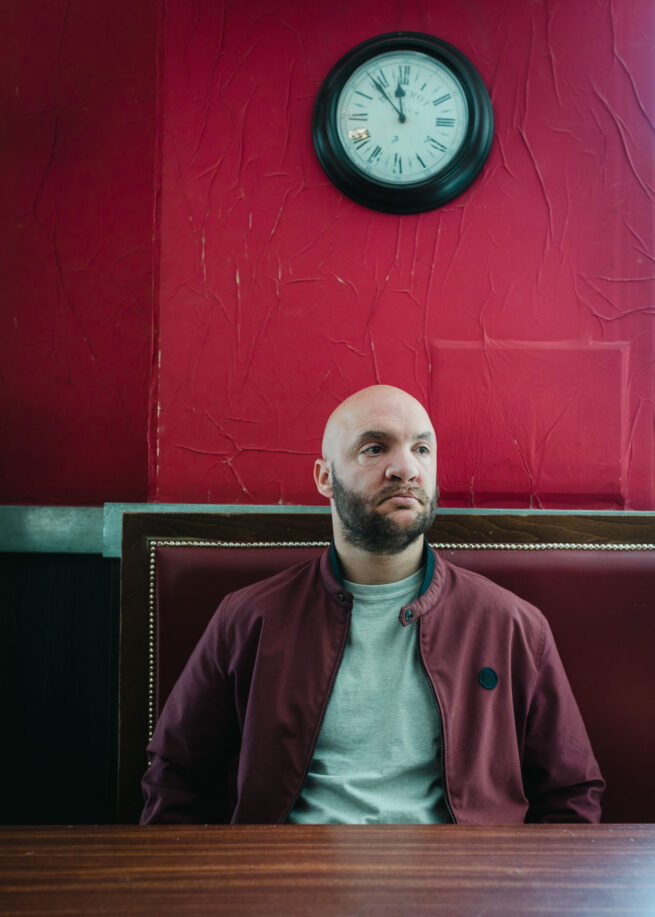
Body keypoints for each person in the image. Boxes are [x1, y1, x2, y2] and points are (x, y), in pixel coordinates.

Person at [141, 385, 604, 825]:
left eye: (421, 449)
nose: (406, 468)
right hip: (292, 883)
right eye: (375, 448)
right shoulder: (247, 618)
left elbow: (571, 793)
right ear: (325, 477)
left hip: (463, 889)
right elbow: (176, 778)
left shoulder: (513, 625)